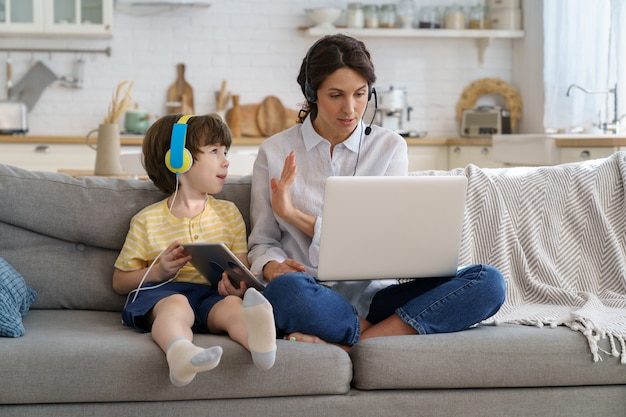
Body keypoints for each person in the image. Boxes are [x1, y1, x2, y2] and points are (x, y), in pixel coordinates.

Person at [248, 34, 506, 349]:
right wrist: (273, 267)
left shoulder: (389, 147)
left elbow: (381, 239)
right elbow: (263, 243)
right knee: (284, 293)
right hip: (310, 293)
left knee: (488, 282)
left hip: (377, 298)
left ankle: (352, 343)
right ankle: (386, 337)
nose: (350, 109)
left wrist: (295, 216)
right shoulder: (274, 151)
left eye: (360, 94)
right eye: (336, 95)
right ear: (311, 93)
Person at [113, 114, 276, 387]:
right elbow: (119, 281)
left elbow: (241, 268)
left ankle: (261, 345)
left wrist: (237, 287)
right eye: (214, 151)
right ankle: (180, 353)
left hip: (211, 296)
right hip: (165, 294)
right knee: (176, 306)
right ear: (179, 159)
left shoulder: (229, 213)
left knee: (234, 306)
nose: (225, 160)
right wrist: (158, 271)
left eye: (226, 152)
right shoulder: (147, 220)